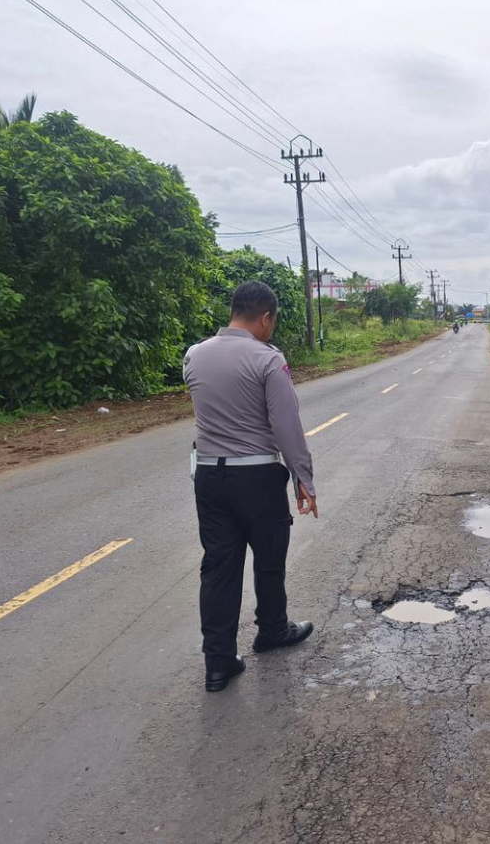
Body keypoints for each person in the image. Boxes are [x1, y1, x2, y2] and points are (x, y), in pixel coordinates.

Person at [182, 281, 319, 692]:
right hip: (257, 477)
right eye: (272, 323)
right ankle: (272, 630)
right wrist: (303, 478)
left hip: (209, 476)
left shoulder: (194, 355)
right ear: (265, 318)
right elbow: (286, 427)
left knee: (218, 568)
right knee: (269, 559)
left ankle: (218, 663)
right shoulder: (268, 360)